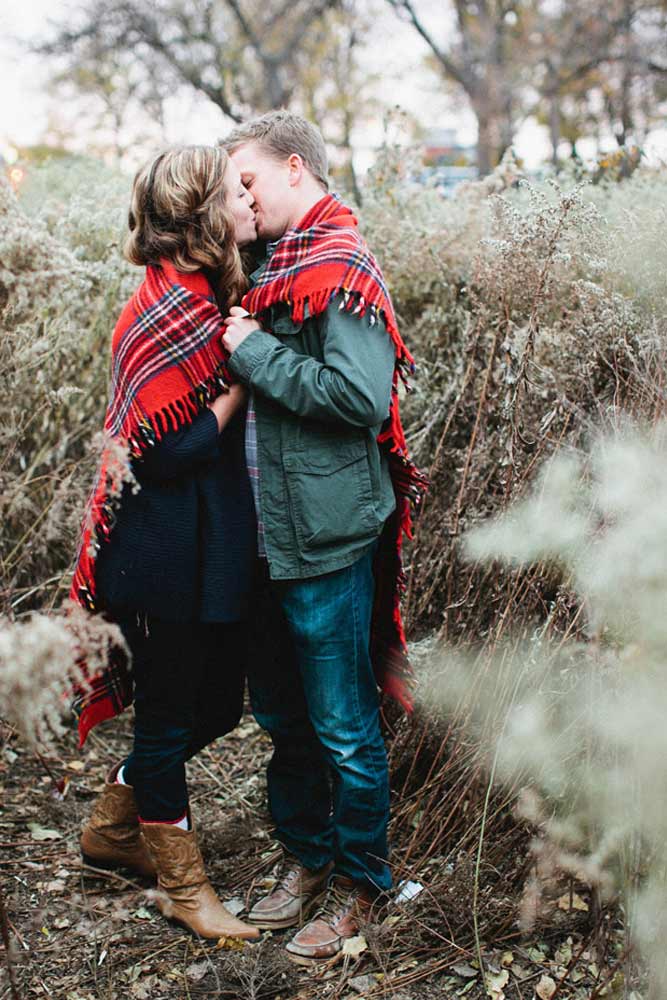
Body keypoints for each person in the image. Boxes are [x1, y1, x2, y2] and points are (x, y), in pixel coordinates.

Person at [219, 111, 427, 963]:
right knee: (281, 716)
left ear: (293, 169)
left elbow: (357, 398)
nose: (242, 198)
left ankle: (361, 886)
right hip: (267, 537)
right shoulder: (270, 268)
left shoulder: (339, 266)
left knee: (342, 722)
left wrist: (251, 352)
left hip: (328, 536)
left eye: (249, 182)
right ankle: (306, 862)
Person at [70, 145, 260, 942]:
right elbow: (167, 449)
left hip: (198, 544)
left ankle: (115, 829)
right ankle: (184, 888)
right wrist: (243, 379)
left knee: (217, 701)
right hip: (157, 553)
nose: (245, 201)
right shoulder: (166, 309)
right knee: (171, 715)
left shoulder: (199, 295)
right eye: (233, 191)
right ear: (201, 216)